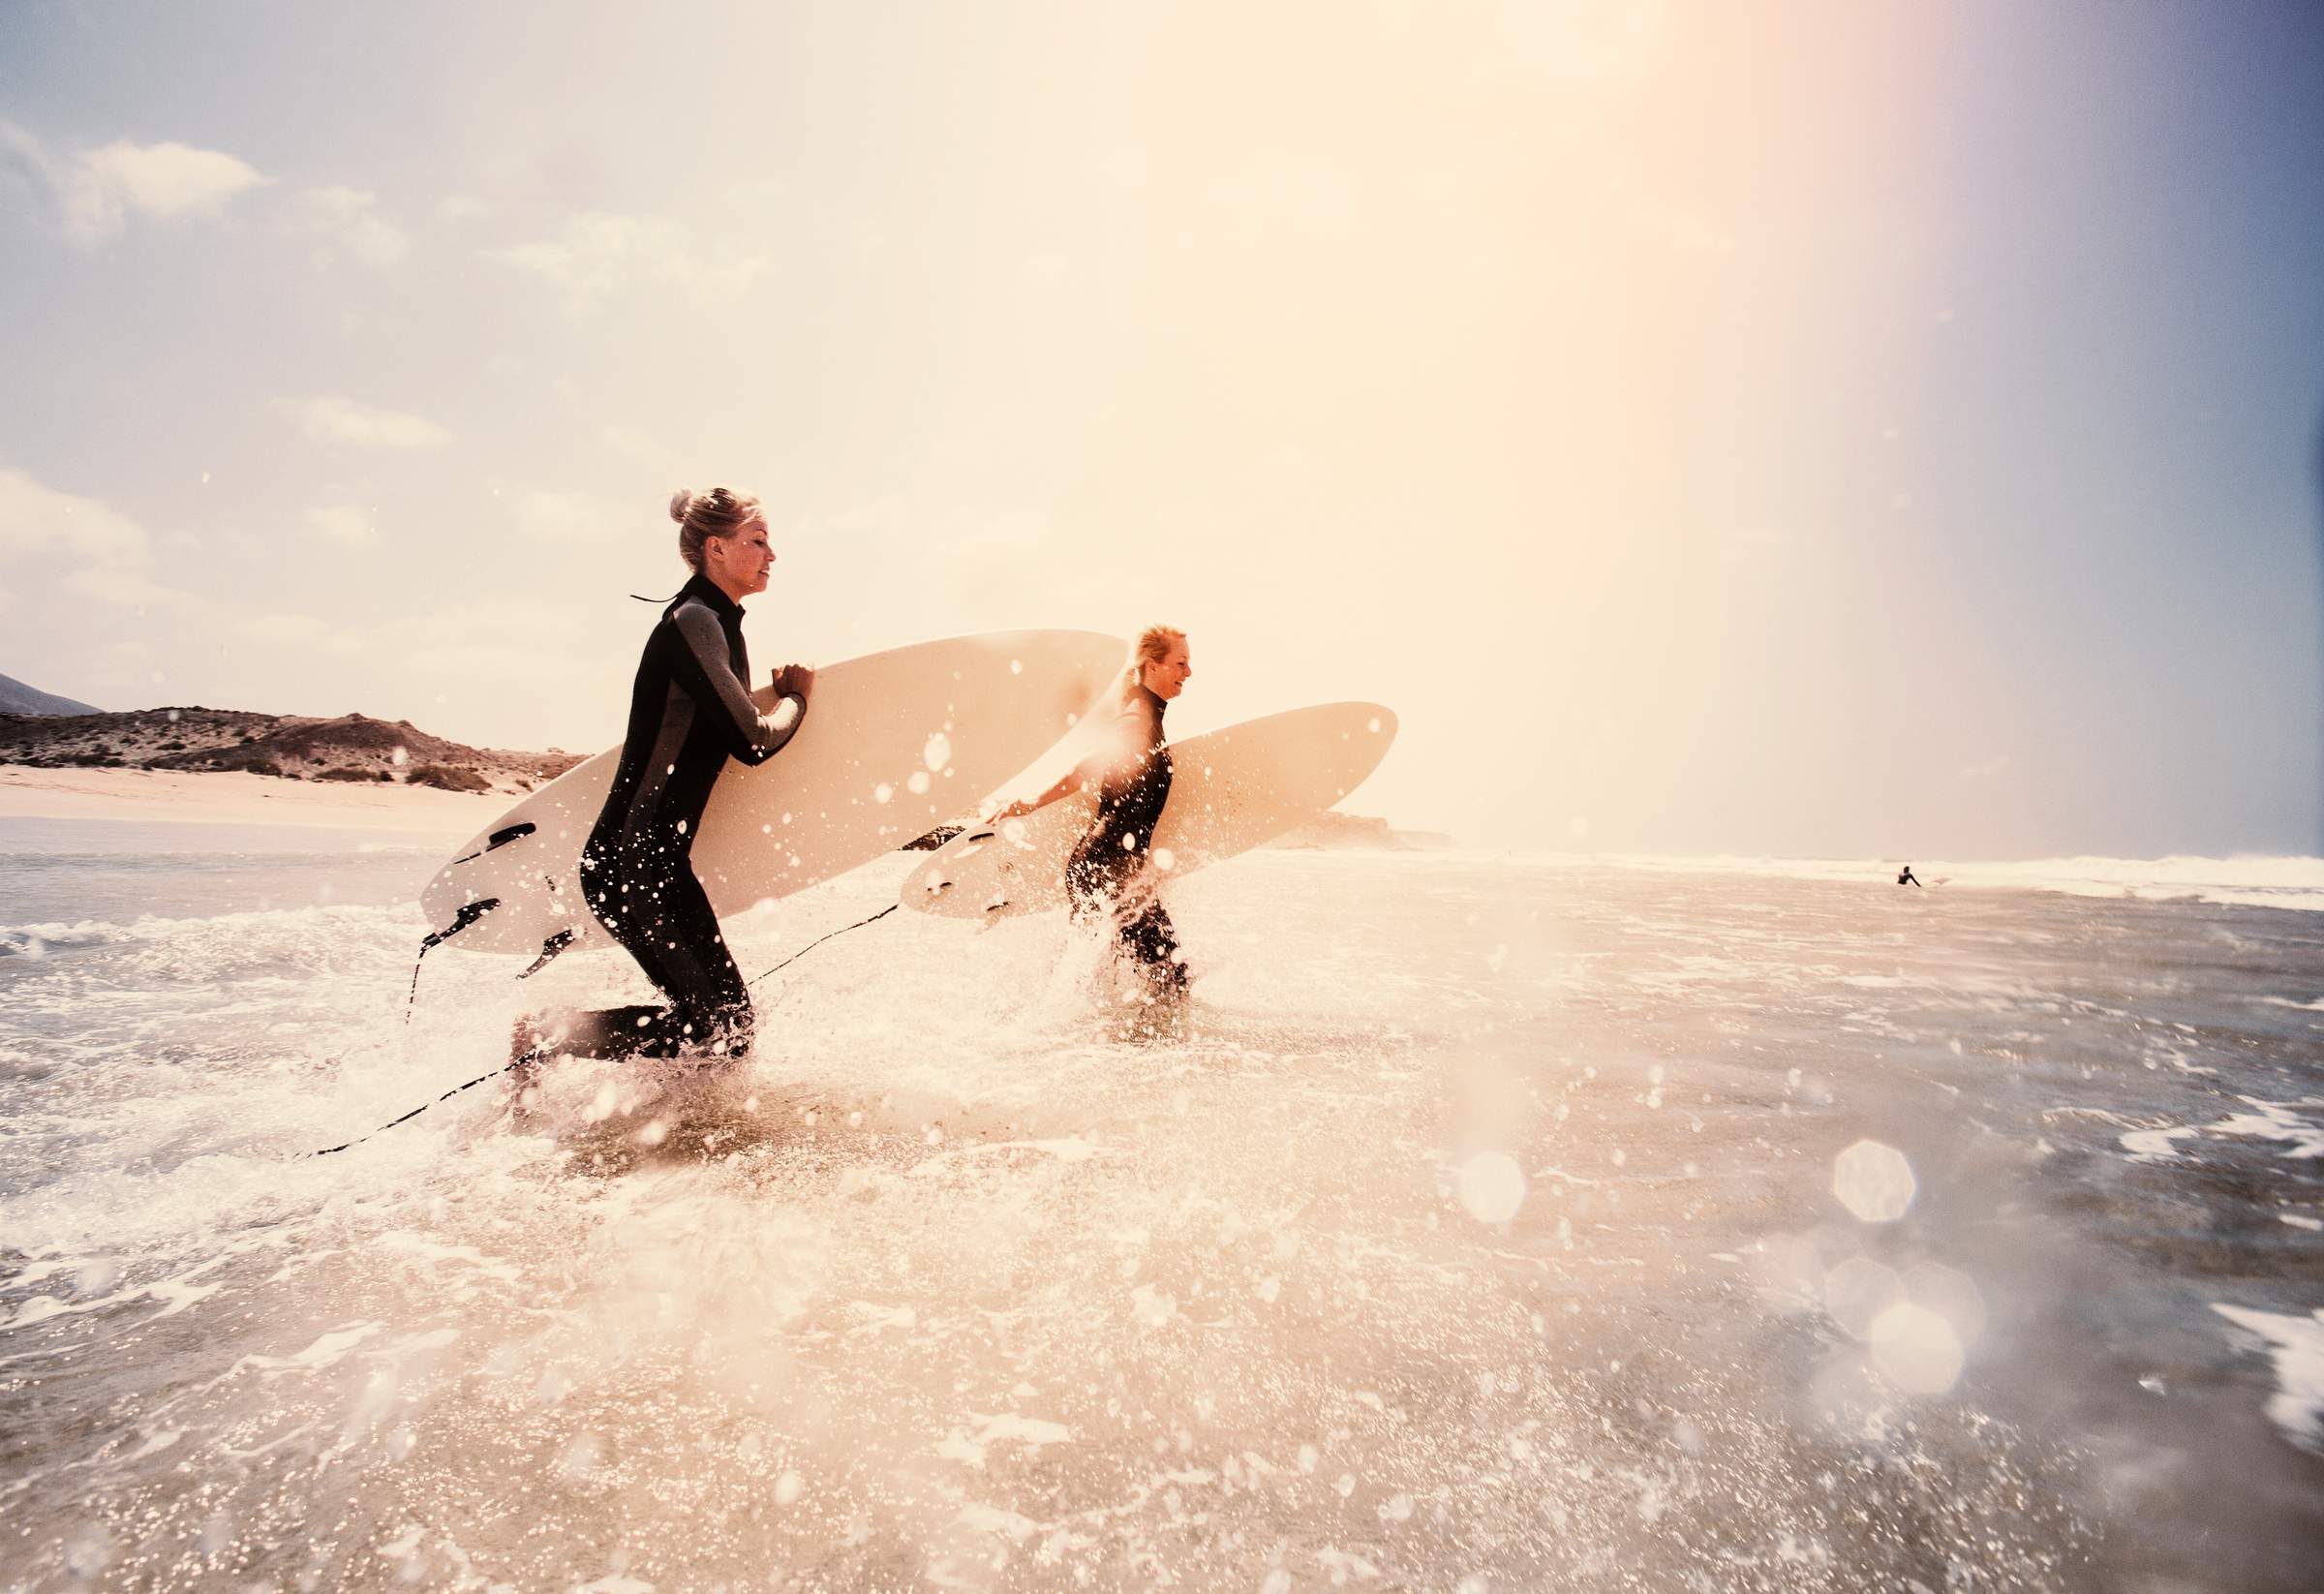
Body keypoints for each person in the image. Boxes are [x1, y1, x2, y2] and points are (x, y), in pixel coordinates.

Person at [514, 487, 813, 1068]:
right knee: (718, 1031)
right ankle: (547, 1034)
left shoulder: (718, 624)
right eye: (758, 540)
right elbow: (752, 740)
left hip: (655, 864)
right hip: (631, 864)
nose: (771, 553)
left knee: (729, 1029)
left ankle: (654, 1118)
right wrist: (797, 700)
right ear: (716, 548)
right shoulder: (695, 621)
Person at [987, 626, 1194, 1018]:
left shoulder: (1145, 714)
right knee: (1170, 975)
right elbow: (1094, 762)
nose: (1189, 672)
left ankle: (1038, 1026)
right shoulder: (1138, 717)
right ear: (1153, 666)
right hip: (1105, 868)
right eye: (1180, 663)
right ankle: (1142, 1060)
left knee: (1102, 978)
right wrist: (1032, 801)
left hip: (1105, 867)